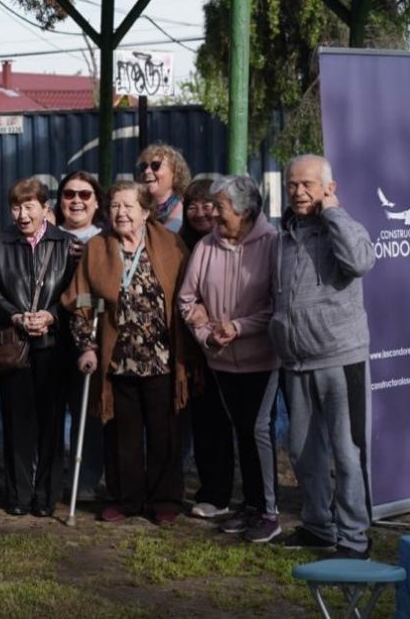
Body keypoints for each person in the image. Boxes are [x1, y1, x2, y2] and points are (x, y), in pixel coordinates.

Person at [63, 180, 192, 525]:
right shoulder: (98, 248)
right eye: (115, 206)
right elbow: (83, 300)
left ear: (146, 212)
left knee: (164, 433)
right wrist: (86, 345)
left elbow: (186, 293)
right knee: (122, 434)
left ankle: (165, 499)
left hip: (162, 359)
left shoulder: (169, 244)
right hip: (117, 359)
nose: (120, 213)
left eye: (128, 206)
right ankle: (126, 498)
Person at [270, 155, 375, 559]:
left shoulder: (342, 228)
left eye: (308, 185)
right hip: (295, 361)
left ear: (328, 188)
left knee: (348, 453)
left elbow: (360, 261)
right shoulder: (284, 236)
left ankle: (354, 538)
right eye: (293, 184)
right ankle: (318, 526)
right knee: (302, 451)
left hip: (340, 357)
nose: (298, 192)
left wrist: (333, 213)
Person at [177, 175, 282, 543]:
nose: (213, 216)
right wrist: (206, 334)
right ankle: (250, 505)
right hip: (220, 360)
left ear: (247, 211)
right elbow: (187, 300)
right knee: (242, 432)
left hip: (262, 359)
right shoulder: (206, 245)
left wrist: (238, 327)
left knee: (258, 430)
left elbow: (278, 306)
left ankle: (270, 512)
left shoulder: (272, 245)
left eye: (221, 209)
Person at [0, 178, 76, 517]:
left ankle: (46, 496)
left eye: (29, 206)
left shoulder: (67, 245)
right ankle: (18, 494)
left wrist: (51, 315)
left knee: (51, 424)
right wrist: (16, 316)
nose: (22, 214)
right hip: (15, 347)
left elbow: (76, 295)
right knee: (16, 423)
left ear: (45, 209)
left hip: (53, 346)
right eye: (16, 207)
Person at [175, 176, 232, 521]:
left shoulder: (229, 243)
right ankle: (212, 491)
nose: (200, 212)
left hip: (231, 345)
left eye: (207, 205)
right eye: (192, 205)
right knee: (205, 424)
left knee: (235, 426)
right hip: (194, 351)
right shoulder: (178, 244)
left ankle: (243, 495)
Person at [53, 170, 106, 502]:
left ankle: (85, 480)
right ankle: (50, 475)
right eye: (69, 194)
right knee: (49, 411)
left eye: (84, 195)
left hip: (92, 338)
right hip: (49, 337)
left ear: (96, 201)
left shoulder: (106, 239)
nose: (76, 201)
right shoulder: (45, 235)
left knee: (88, 414)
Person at [136, 144, 191, 232]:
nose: (147, 171)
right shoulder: (135, 211)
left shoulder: (188, 214)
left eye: (155, 166)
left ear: (175, 174)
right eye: (144, 166)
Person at [179, 178, 218, 252]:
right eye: (192, 208)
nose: (200, 214)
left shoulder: (229, 244)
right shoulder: (179, 244)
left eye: (206, 207)